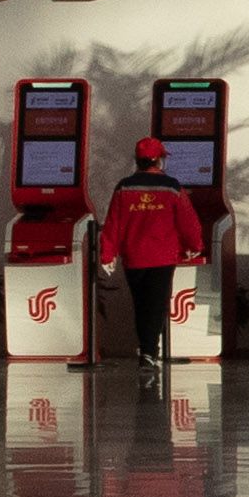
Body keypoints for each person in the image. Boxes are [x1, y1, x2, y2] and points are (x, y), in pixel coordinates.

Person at [95, 135, 204, 374]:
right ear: (159, 160)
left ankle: (147, 350)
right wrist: (195, 245)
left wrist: (107, 255)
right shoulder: (172, 187)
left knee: (142, 305)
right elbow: (188, 221)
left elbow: (113, 223)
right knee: (156, 305)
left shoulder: (124, 187)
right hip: (162, 257)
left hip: (134, 258)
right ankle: (148, 352)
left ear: (137, 160)